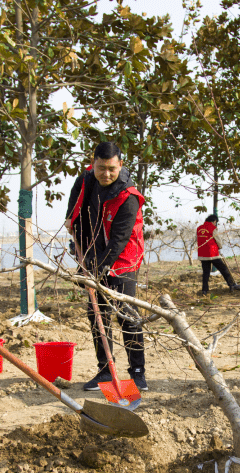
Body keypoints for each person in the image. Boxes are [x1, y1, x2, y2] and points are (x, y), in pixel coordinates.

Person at [65, 142, 148, 392]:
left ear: (120, 164)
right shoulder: (86, 180)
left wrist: (97, 270)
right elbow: (75, 212)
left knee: (126, 314)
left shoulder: (129, 196)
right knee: (96, 313)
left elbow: (119, 241)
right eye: (101, 168)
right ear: (94, 163)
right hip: (91, 252)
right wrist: (81, 251)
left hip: (122, 258)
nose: (106, 174)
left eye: (112, 169)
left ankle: (137, 372)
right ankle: (104, 370)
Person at [196, 214, 240, 295]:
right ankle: (232, 285)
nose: (215, 224)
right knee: (224, 269)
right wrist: (220, 247)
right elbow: (218, 240)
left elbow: (198, 240)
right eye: (215, 222)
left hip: (203, 254)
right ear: (214, 221)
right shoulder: (213, 228)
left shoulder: (199, 228)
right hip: (213, 253)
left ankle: (204, 290)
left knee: (206, 273)